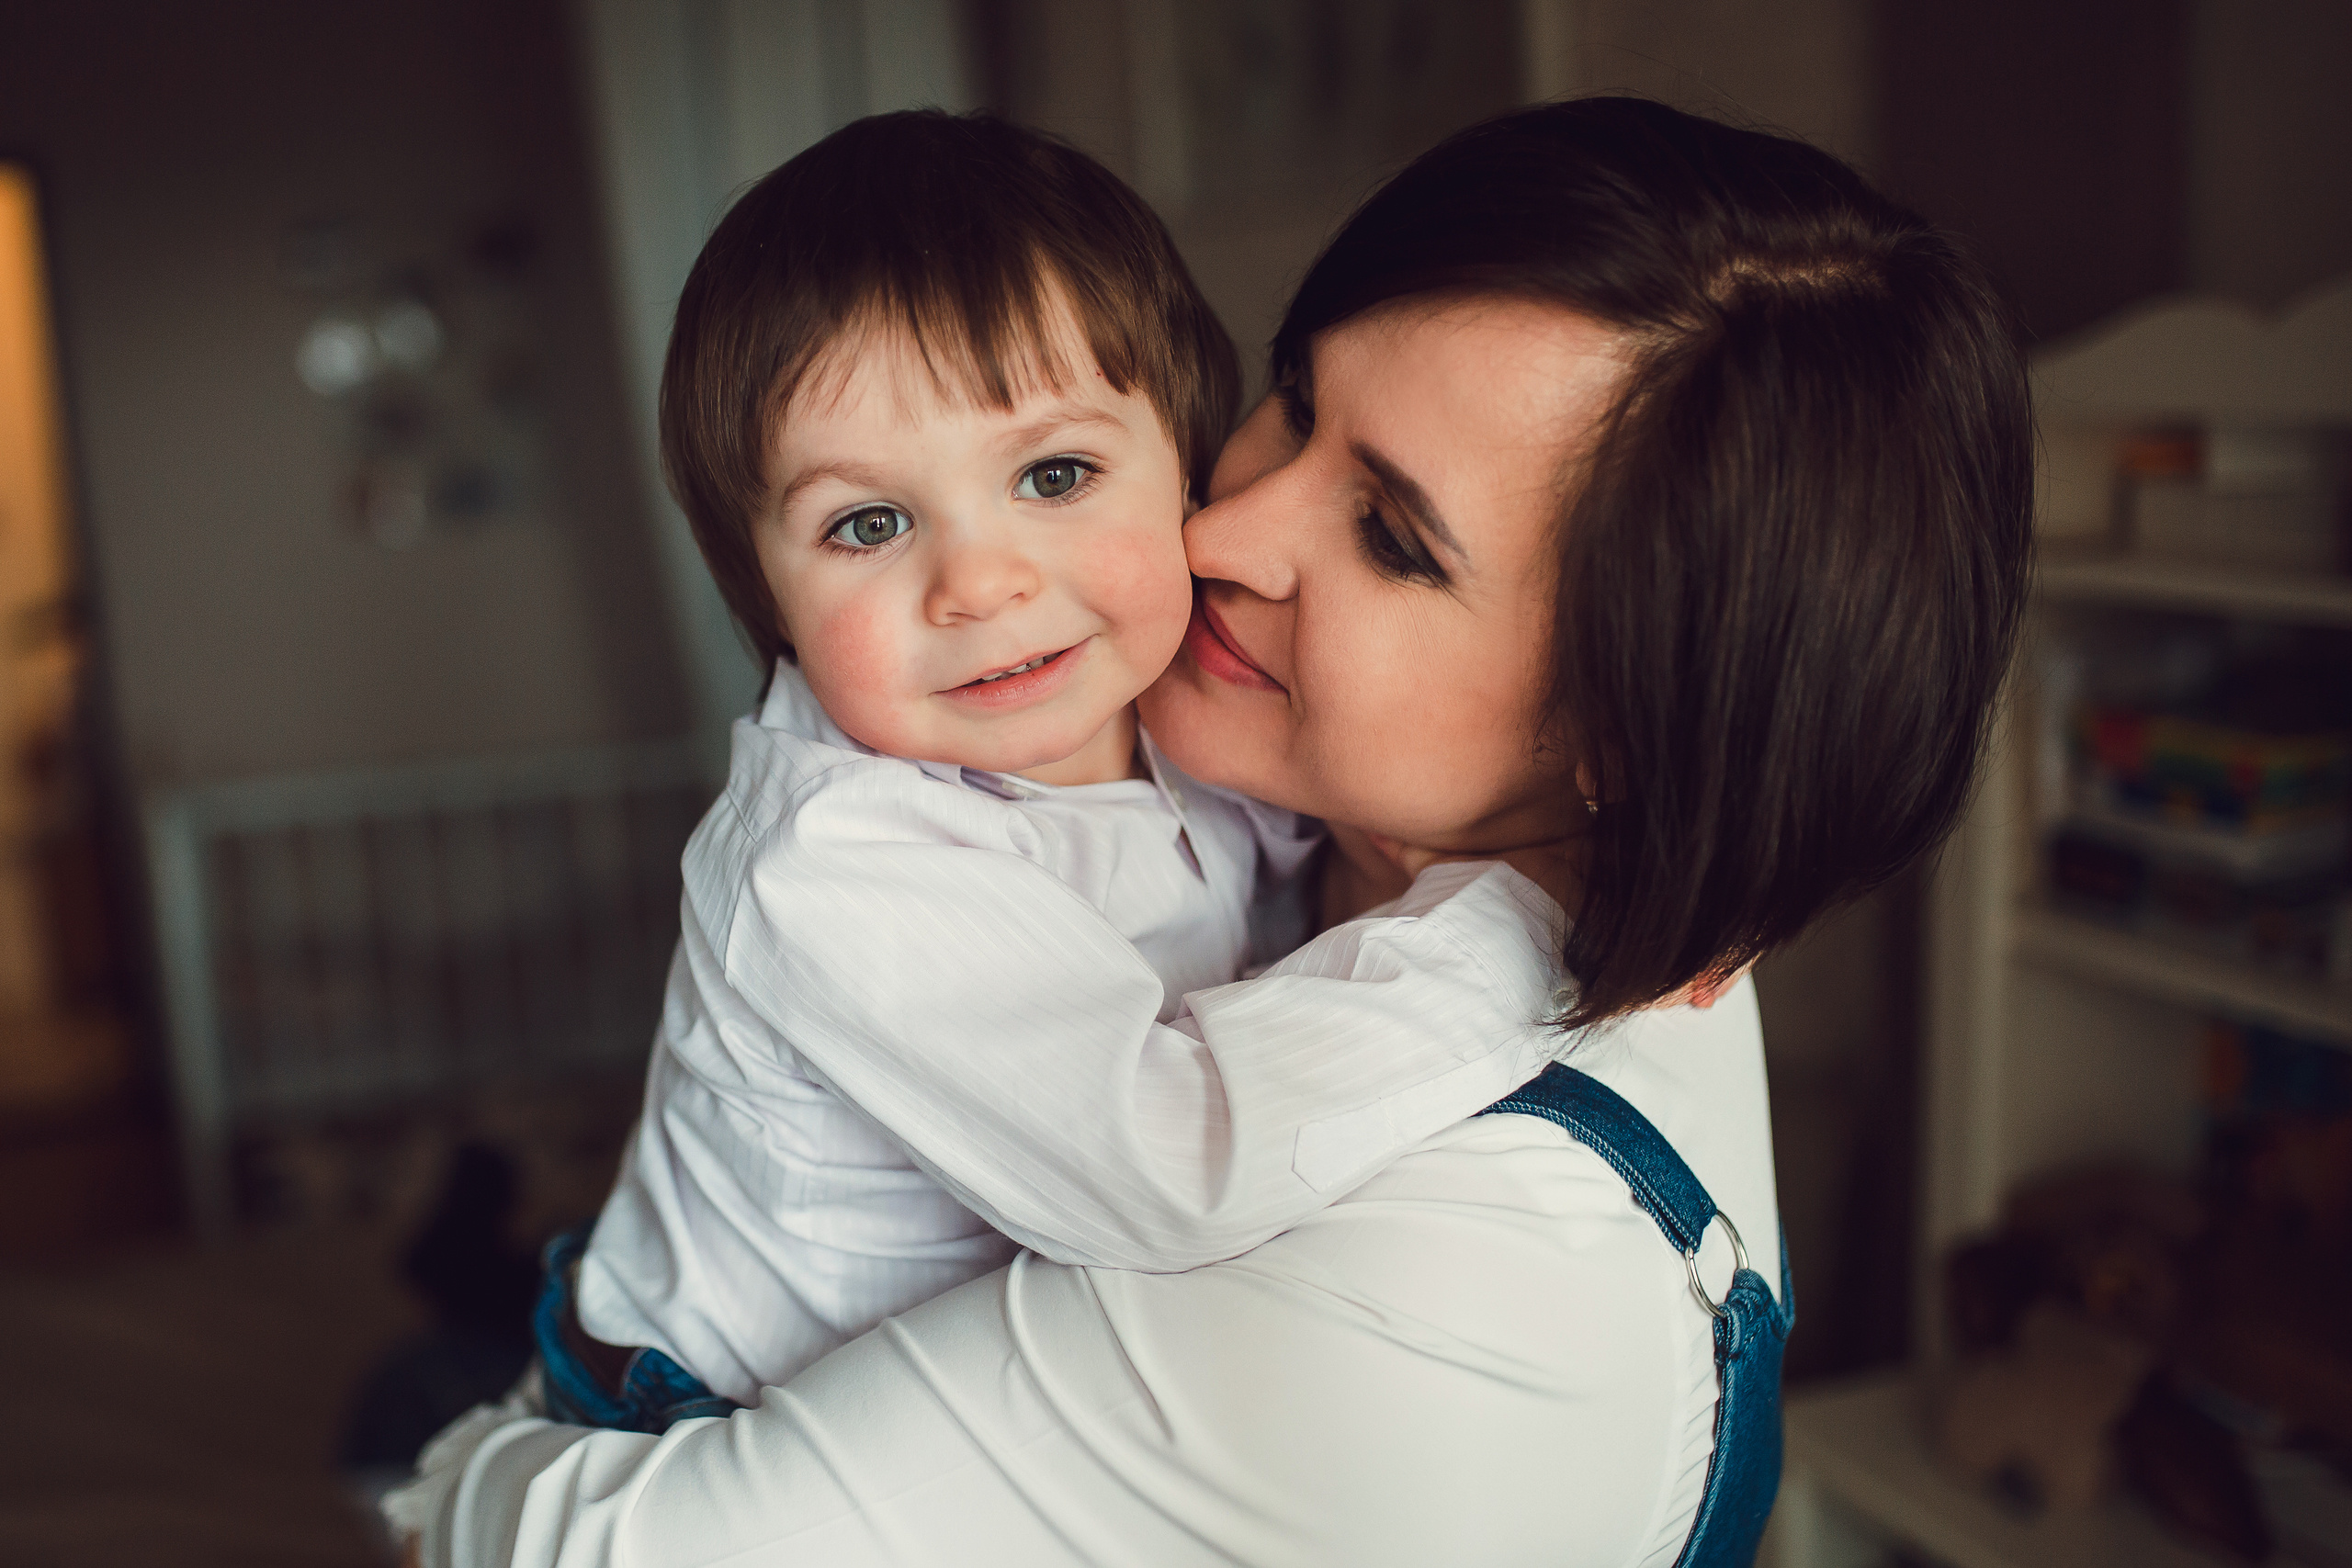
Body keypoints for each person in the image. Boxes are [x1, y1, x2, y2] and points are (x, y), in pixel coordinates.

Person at [397, 96, 2031, 1566]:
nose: (1225, 526)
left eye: (1391, 536)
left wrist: (456, 1490)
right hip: (680, 1387)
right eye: (1287, 401)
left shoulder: (1447, 1292)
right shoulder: (865, 851)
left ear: (1627, 730)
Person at [535, 109, 1577, 1432]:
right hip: (702, 1396)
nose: (979, 583)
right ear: (766, 592)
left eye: (1055, 473)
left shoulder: (1194, 712)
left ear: (1184, 465)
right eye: (868, 522)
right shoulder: (835, 862)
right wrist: (1534, 918)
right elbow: (1174, 1165)